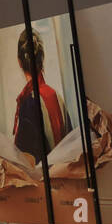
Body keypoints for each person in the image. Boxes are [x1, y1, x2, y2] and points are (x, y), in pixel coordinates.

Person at [13, 27, 71, 166]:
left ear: (19, 62)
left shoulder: (27, 103)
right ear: (41, 60)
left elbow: (26, 165)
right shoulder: (56, 96)